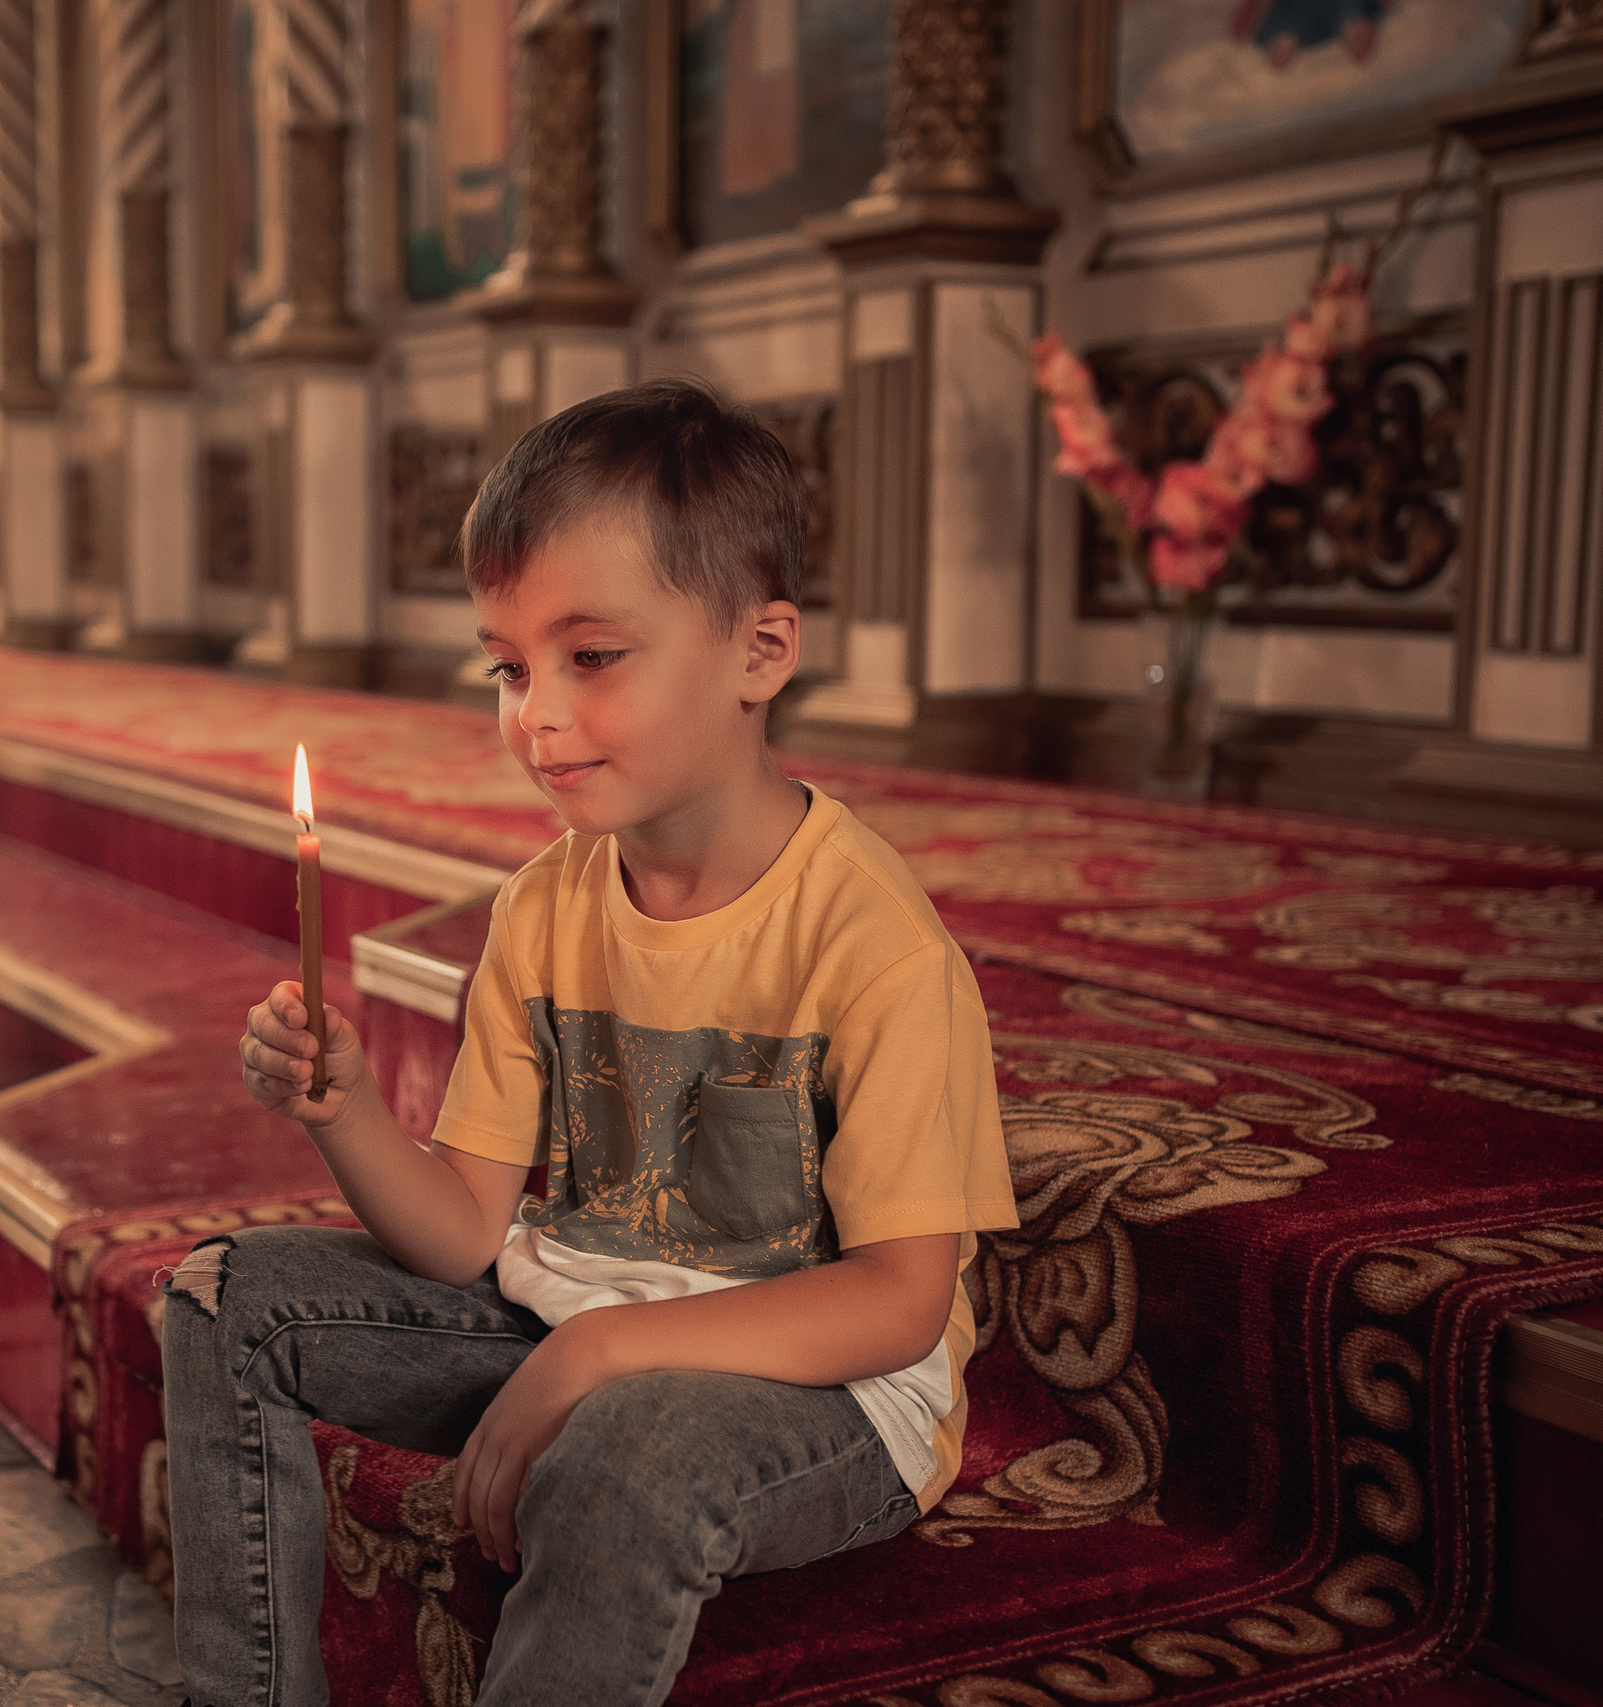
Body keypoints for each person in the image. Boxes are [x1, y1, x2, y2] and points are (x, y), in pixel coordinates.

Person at [163, 377, 1019, 1707]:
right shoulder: (546, 905)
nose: (533, 714)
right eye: (509, 667)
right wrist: (343, 1112)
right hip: (573, 1321)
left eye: (591, 658)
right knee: (228, 1298)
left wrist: (601, 1353)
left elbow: (900, 1304)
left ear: (759, 651)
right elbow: (461, 1232)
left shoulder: (876, 946)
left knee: (626, 1446)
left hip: (829, 1403)